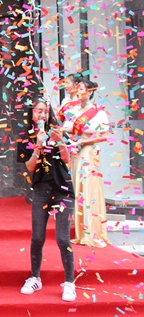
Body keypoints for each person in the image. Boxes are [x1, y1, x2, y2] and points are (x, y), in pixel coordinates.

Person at [17, 99, 76, 302]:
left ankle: (69, 282)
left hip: (63, 190)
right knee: (37, 237)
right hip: (41, 189)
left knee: (62, 238)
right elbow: (30, 167)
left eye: (45, 111)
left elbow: (67, 160)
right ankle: (35, 277)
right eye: (38, 111)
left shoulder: (58, 132)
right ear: (32, 113)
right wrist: (38, 146)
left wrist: (59, 141)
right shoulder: (25, 136)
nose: (42, 115)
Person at [62, 79, 110, 247]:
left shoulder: (98, 112)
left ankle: (92, 233)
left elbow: (104, 136)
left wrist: (84, 142)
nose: (78, 91)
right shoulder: (73, 110)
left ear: (90, 92)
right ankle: (80, 232)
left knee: (88, 189)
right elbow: (67, 129)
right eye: (78, 88)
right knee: (78, 189)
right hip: (75, 151)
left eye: (82, 89)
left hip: (88, 151)